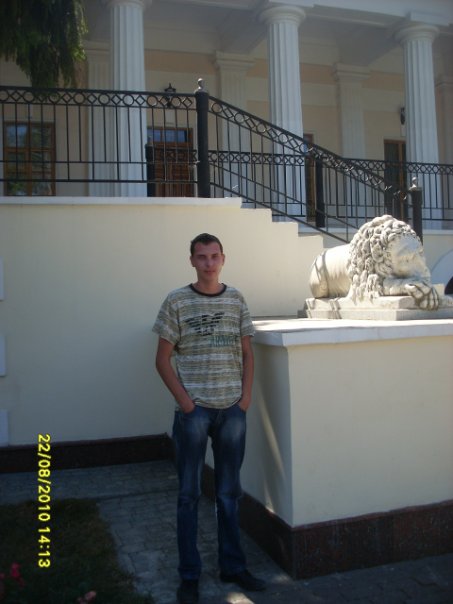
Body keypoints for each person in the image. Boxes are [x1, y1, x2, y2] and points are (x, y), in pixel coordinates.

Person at [153, 233, 266, 604]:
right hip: (194, 413)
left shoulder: (236, 299)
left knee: (229, 493)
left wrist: (245, 398)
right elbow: (162, 359)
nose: (208, 263)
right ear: (192, 261)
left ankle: (233, 566)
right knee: (188, 495)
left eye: (214, 256)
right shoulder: (176, 301)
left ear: (223, 259)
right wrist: (187, 404)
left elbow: (247, 353)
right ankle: (189, 575)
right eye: (202, 257)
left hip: (232, 410)